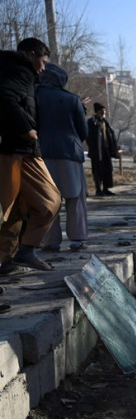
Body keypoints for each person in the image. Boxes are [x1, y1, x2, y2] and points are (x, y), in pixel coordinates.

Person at [0, 37, 61, 277]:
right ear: (31, 54)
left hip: (11, 149)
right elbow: (5, 98)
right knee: (51, 201)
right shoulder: (21, 71)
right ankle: (27, 250)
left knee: (14, 209)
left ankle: (5, 260)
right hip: (22, 150)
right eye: (43, 61)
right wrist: (28, 129)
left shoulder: (9, 69)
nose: (43, 67)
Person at [37, 63, 89, 252]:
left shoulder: (32, 96)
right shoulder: (72, 100)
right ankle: (77, 239)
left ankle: (51, 241)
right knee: (75, 198)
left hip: (41, 153)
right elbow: (83, 131)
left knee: (48, 200)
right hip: (70, 153)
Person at [86, 102, 119, 196]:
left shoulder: (105, 122)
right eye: (101, 111)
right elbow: (89, 137)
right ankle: (98, 189)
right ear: (97, 111)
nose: (104, 112)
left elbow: (110, 135)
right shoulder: (91, 122)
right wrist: (93, 147)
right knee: (97, 171)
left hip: (106, 150)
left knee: (107, 170)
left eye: (104, 110)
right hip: (97, 151)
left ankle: (106, 189)